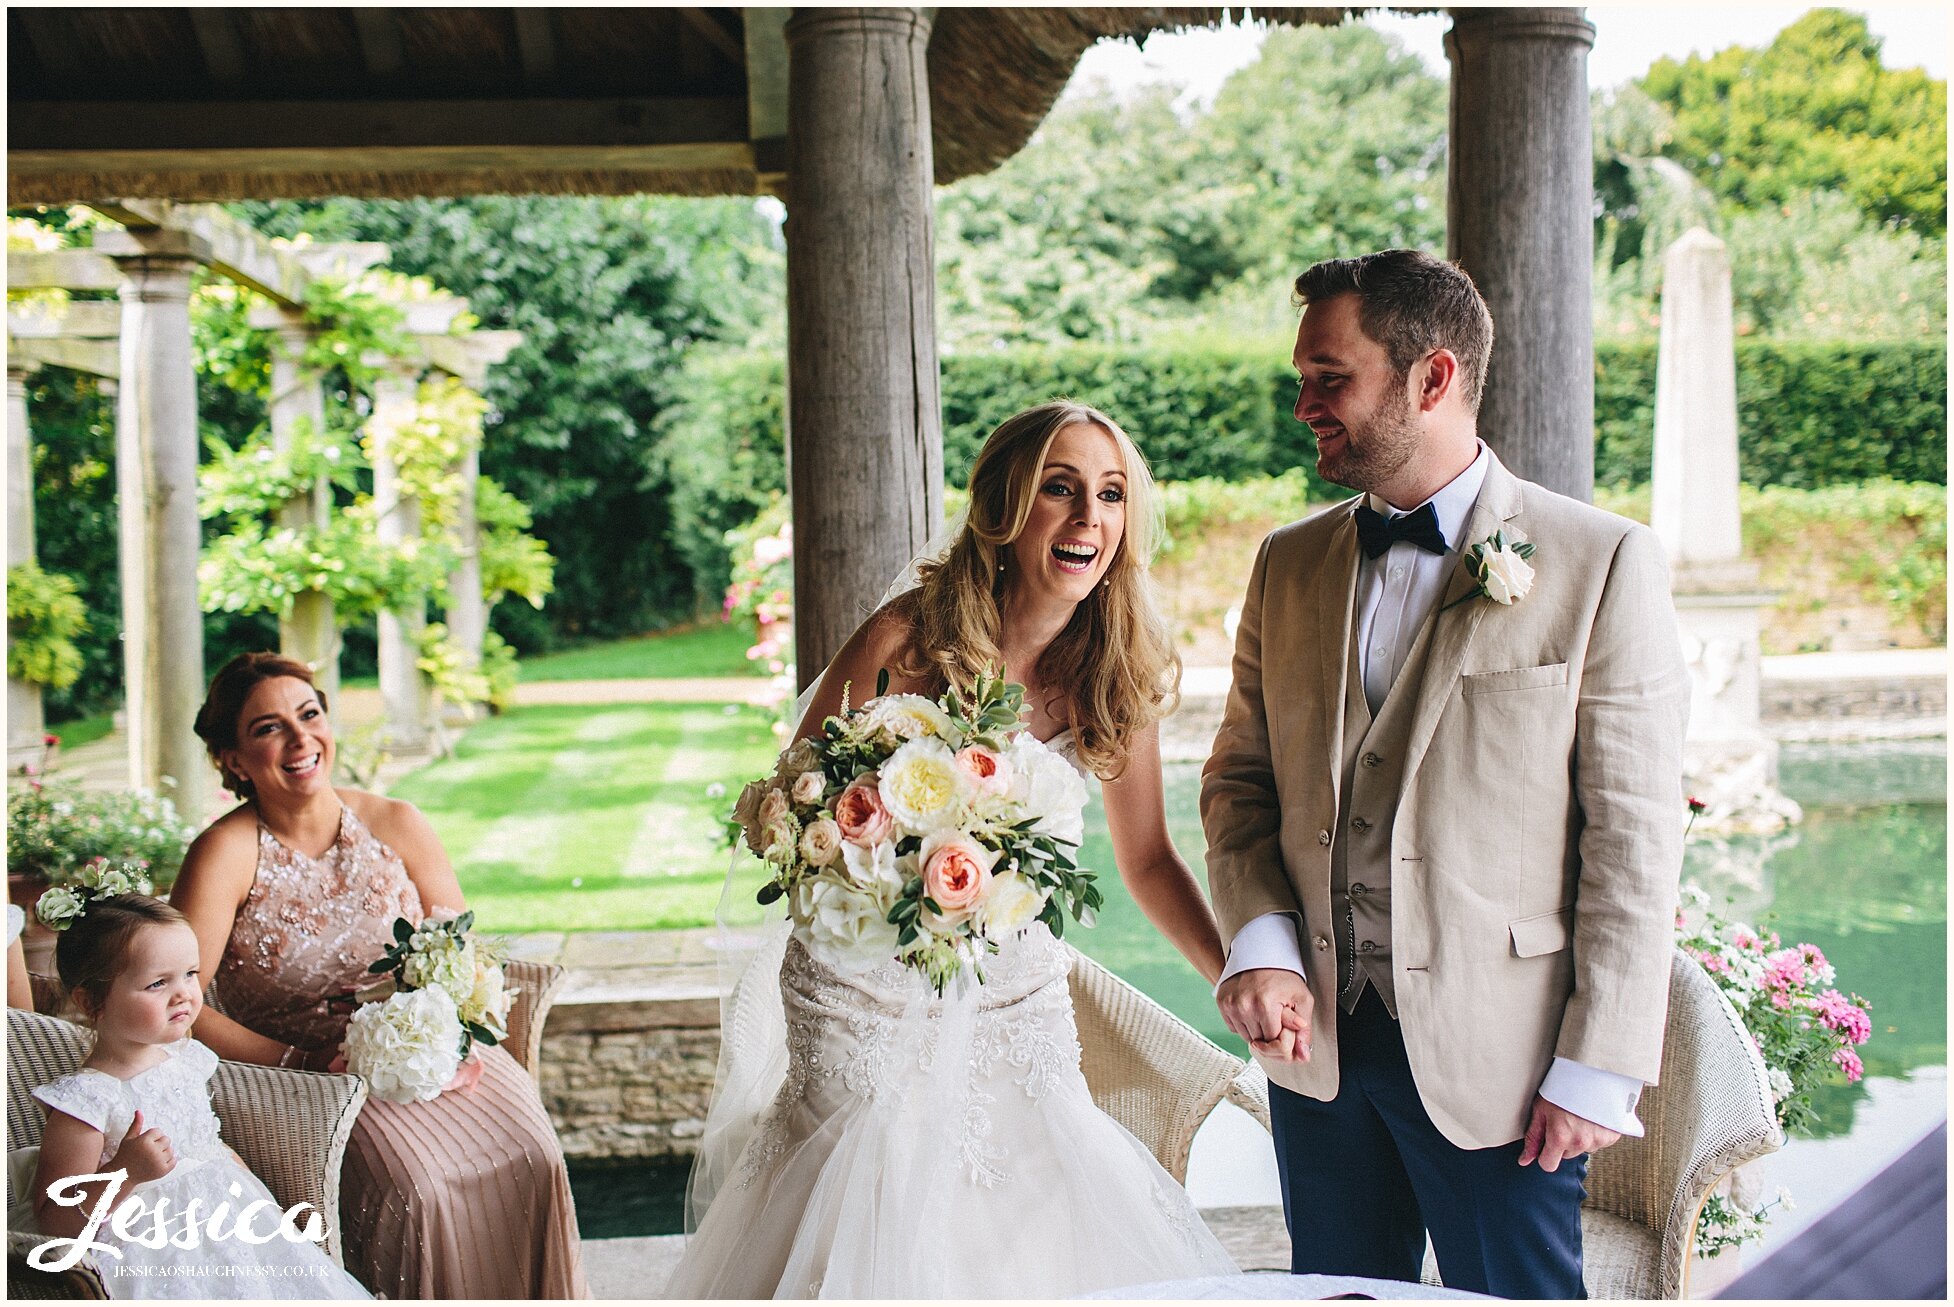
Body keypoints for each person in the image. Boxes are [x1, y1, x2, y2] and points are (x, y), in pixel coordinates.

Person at [666, 400, 1237, 1298]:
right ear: (1006, 510)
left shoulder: (1117, 670)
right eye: (1062, 488)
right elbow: (791, 809)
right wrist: (888, 858)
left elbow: (1149, 860)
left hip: (1014, 998)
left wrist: (1229, 972)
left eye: (1112, 494)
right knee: (867, 1195)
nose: (1091, 516)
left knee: (1037, 1205)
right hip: (863, 992)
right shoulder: (907, 639)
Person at [1202, 249, 1691, 1298]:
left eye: (1330, 377)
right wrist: (1262, 942)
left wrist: (1596, 1068)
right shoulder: (1285, 565)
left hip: (1506, 1070)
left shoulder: (1599, 562)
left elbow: (1633, 840)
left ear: (1430, 378)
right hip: (1319, 1050)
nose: (1304, 405)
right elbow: (1239, 788)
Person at [169, 653, 589, 1299]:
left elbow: (462, 950)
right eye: (268, 727)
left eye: (309, 714)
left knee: (536, 1157)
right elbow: (179, 1001)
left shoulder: (396, 821)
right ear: (232, 757)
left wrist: (445, 1019)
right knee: (415, 1186)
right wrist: (298, 1058)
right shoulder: (223, 852)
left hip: (438, 1046)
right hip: (312, 1077)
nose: (300, 738)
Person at [14, 892, 369, 1299]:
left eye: (190, 974)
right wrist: (125, 1172)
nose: (183, 993)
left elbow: (209, 1145)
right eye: (157, 983)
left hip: (231, 1228)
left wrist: (268, 1210)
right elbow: (54, 1224)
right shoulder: (89, 1100)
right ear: (91, 1001)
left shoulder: (184, 1058)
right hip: (155, 1250)